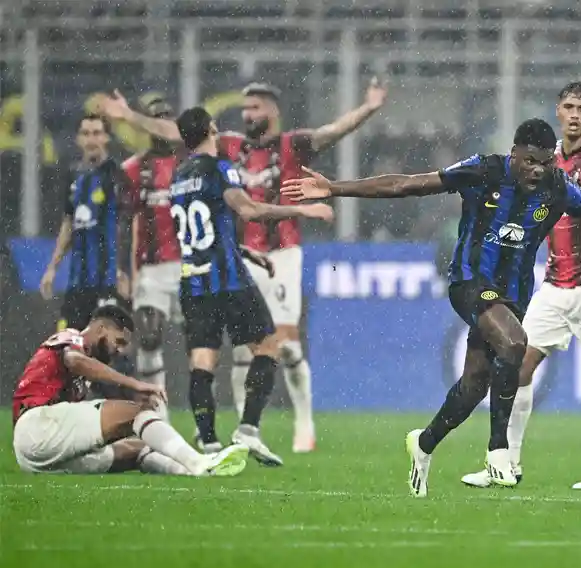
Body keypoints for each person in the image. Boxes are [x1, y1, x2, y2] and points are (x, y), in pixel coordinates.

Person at [281, 118, 581, 498]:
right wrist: (335, 188)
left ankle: (425, 443)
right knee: (515, 344)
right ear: (514, 153)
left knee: (474, 384)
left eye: (545, 161)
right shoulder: (484, 170)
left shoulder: (559, 189)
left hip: (513, 294)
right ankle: (499, 453)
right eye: (529, 160)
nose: (537, 169)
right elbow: (407, 185)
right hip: (470, 282)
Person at [100, 79, 387, 453]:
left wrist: (368, 108)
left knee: (273, 347)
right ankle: (246, 428)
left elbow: (331, 132)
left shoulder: (288, 146)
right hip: (232, 261)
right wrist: (132, 117)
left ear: (273, 110)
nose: (247, 114)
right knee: (249, 350)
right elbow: (180, 135)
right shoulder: (227, 151)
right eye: (245, 108)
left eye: (255, 107)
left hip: (276, 253)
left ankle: (288, 425)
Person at [460, 82, 581, 491]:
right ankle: (506, 463)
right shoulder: (545, 162)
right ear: (557, 111)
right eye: (568, 106)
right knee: (517, 364)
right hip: (555, 281)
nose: (575, 114)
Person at [170, 107, 334, 466]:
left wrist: (245, 251)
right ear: (212, 129)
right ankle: (248, 430)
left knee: (202, 360)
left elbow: (202, 233)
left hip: (193, 283)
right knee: (270, 344)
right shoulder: (220, 168)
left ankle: (209, 446)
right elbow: (249, 211)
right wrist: (304, 211)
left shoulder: (178, 177)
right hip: (228, 281)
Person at [11, 304, 248, 476]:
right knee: (137, 414)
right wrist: (136, 385)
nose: (120, 351)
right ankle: (198, 462)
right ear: (101, 328)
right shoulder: (72, 338)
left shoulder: (88, 368)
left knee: (137, 450)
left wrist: (132, 406)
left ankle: (198, 472)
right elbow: (74, 360)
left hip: (38, 455)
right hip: (36, 425)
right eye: (119, 341)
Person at [40, 115, 128, 332]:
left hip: (108, 280)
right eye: (86, 133)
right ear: (78, 139)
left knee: (108, 346)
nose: (91, 139)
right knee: (68, 344)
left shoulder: (117, 174)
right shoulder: (73, 175)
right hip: (78, 281)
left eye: (97, 133)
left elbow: (124, 225)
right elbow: (69, 223)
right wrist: (52, 268)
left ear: (106, 137)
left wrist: (122, 269)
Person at [120, 94, 183, 395]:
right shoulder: (133, 169)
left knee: (202, 342)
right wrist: (127, 270)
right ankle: (157, 417)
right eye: (156, 117)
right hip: (153, 268)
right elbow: (125, 223)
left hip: (191, 265)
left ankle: (204, 424)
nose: (162, 124)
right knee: (148, 336)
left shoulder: (191, 163)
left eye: (167, 117)